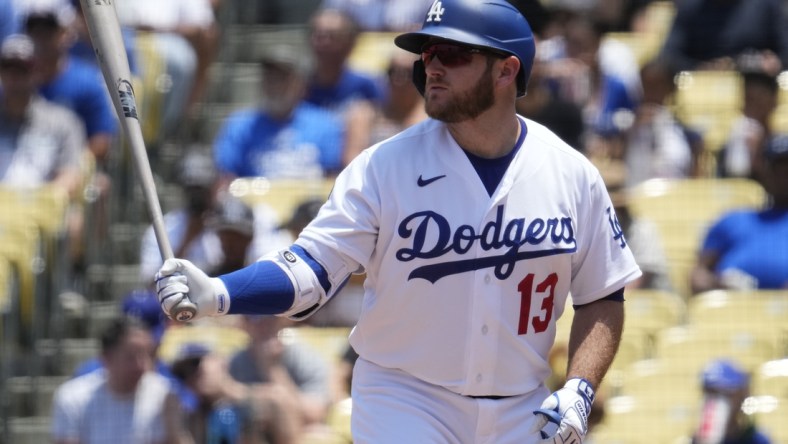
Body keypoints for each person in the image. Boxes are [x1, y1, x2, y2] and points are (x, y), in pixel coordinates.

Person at [156, 1, 642, 443]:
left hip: (522, 405)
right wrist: (220, 293)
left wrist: (580, 387)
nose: (432, 67)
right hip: (407, 398)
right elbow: (308, 273)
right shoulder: (383, 168)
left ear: (506, 70)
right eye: (427, 55)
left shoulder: (571, 174)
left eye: (452, 55)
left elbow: (604, 294)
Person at [212, 42, 345, 182]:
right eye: (269, 77)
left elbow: (332, 178)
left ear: (300, 83)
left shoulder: (325, 125)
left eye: (282, 78)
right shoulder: (240, 125)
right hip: (253, 201)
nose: (274, 85)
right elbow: (225, 178)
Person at [51, 316, 190, 444]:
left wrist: (175, 431)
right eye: (131, 357)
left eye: (148, 355)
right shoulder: (73, 398)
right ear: (107, 358)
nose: (141, 365)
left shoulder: (164, 395)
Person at [21, 0, 118, 166]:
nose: (40, 38)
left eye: (48, 31)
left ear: (65, 34)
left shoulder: (87, 82)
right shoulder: (12, 79)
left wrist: (69, 168)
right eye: (34, 31)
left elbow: (102, 141)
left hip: (69, 173)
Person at [690, 133, 788, 294]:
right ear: (765, 173)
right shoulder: (732, 220)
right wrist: (718, 283)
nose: (784, 177)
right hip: (733, 314)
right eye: (778, 170)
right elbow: (697, 276)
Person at [114, 0, 219, 146]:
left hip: (167, 44)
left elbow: (203, 28)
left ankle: (157, 137)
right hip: (123, 39)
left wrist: (158, 30)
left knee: (180, 61)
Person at [0, 33, 84, 197]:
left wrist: (36, 203)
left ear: (37, 72)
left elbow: (69, 176)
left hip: (42, 216)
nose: (15, 78)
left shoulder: (63, 122)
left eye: (23, 70)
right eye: (8, 68)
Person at [170, 342, 301, 444]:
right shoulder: (192, 419)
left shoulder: (272, 400)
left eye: (196, 364)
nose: (193, 375)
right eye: (184, 373)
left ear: (220, 361)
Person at [228, 315, 333, 437]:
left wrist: (273, 369)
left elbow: (314, 414)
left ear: (282, 320)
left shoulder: (304, 356)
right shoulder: (235, 362)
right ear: (244, 323)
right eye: (255, 318)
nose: (263, 324)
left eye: (270, 317)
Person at [139, 149, 223, 285]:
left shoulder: (230, 224)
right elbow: (151, 285)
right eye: (192, 189)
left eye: (201, 189)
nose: (197, 196)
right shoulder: (163, 229)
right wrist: (187, 239)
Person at [342, 46, 428, 167]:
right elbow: (352, 162)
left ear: (421, 76)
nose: (398, 80)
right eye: (393, 72)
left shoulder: (432, 118)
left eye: (408, 73)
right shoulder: (365, 114)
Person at [659, 0, 788, 76]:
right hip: (703, 90)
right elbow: (669, 56)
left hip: (754, 87)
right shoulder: (690, 6)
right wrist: (702, 68)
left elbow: (785, 51)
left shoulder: (766, 4)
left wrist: (775, 62)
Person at [692, 358, 772, 444]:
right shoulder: (694, 440)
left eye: (726, 394)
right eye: (711, 393)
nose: (716, 401)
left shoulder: (756, 440)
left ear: (742, 395)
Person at [718, 71, 780, 179]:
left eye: (757, 99)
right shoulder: (739, 134)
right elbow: (738, 178)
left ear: (773, 100)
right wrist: (754, 153)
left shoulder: (781, 138)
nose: (749, 105)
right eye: (747, 98)